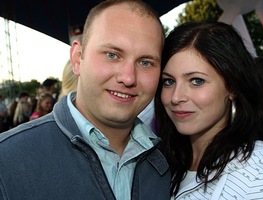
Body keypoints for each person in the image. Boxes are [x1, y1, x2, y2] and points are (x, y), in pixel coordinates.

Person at [0, 1, 170, 200]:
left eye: (145, 62)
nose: (129, 77)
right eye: (112, 55)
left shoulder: (168, 162)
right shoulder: (7, 162)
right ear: (77, 58)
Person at [155, 21, 263, 199]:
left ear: (232, 87)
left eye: (196, 81)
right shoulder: (163, 160)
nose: (176, 97)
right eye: (168, 81)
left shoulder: (262, 178)